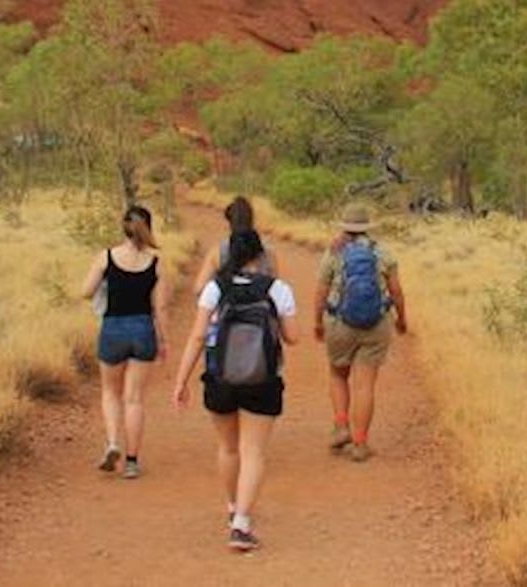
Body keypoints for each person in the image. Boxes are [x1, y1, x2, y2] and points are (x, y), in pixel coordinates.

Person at [172, 227, 298, 552]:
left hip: (220, 378)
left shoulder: (215, 288)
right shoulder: (278, 289)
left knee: (228, 448)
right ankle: (242, 524)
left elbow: (198, 336)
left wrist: (181, 380)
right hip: (263, 380)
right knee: (253, 452)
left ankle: (231, 508)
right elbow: (293, 337)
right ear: (261, 256)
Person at [314, 203, 408, 463]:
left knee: (337, 373)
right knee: (365, 385)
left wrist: (317, 323)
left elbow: (321, 293)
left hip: (339, 323)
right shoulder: (383, 253)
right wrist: (402, 320)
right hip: (376, 325)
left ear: (345, 227)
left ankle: (342, 425)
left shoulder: (334, 253)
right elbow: (397, 292)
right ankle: (360, 444)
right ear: (367, 228)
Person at [80, 205, 168, 480]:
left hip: (113, 328)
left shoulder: (107, 257)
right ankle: (131, 461)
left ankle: (112, 443)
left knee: (109, 392)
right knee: (134, 398)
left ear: (124, 227)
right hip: (143, 329)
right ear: (148, 228)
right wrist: (163, 341)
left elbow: (85, 292)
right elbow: (160, 307)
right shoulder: (155, 262)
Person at [192, 195, 279, 295]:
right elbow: (275, 290)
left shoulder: (217, 252)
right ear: (252, 220)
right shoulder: (268, 252)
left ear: (229, 221)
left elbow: (199, 289)